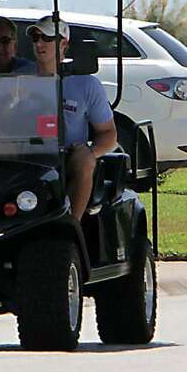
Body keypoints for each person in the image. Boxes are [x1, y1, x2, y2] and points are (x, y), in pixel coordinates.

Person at [28, 16, 118, 222]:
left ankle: (71, 227)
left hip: (66, 155)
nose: (39, 43)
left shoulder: (86, 84)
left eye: (48, 38)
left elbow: (109, 133)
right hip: (27, 152)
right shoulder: (19, 77)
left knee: (85, 160)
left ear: (63, 43)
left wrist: (91, 151)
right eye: (35, 37)